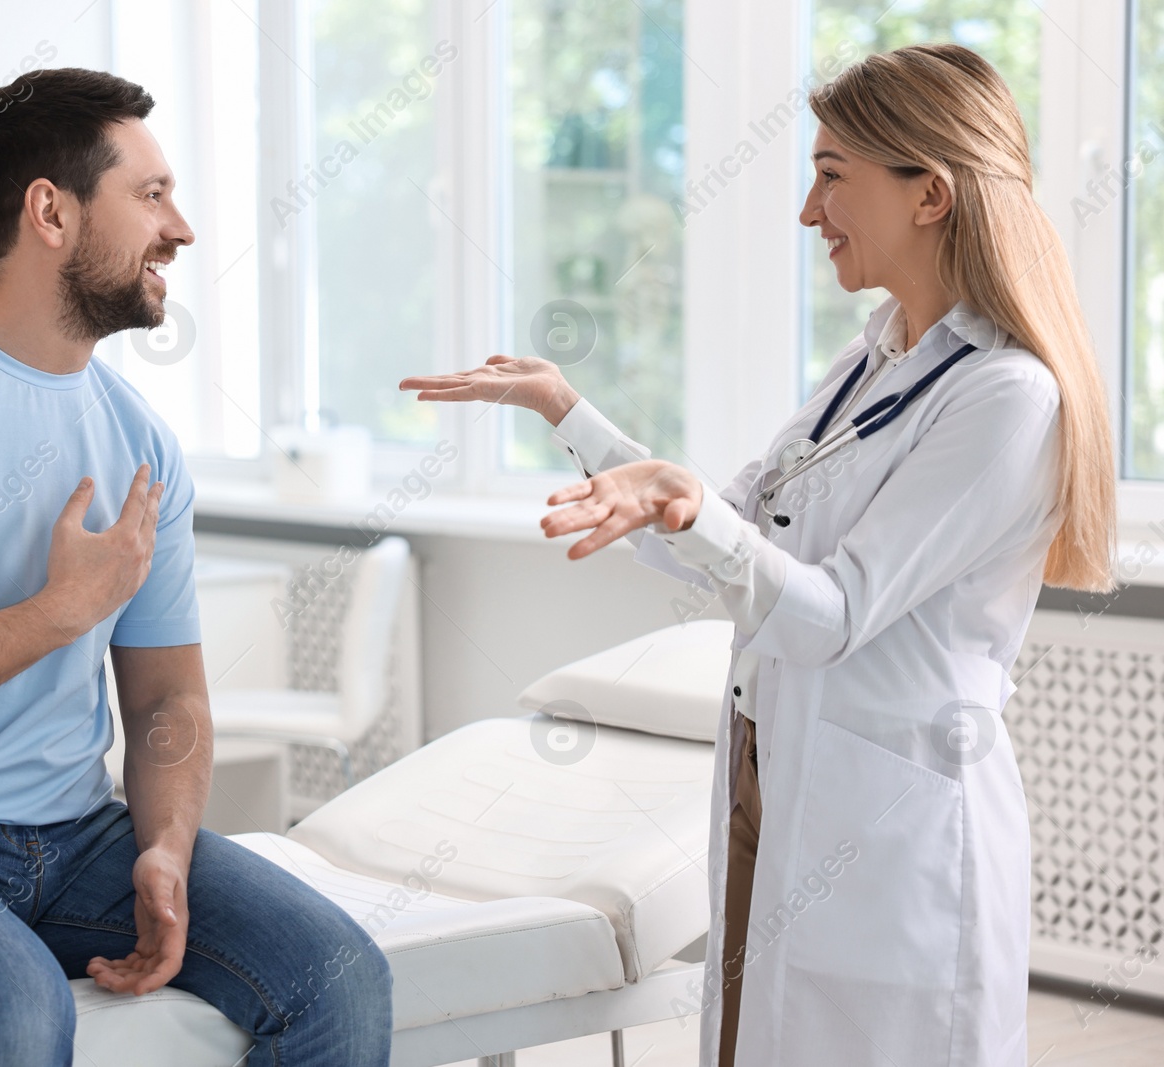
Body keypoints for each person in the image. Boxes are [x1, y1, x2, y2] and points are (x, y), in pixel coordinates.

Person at [402, 43, 1115, 1067]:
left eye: (832, 175)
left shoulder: (1005, 398)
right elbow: (724, 536)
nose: (806, 210)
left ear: (930, 195)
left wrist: (691, 512)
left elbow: (827, 613)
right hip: (768, 768)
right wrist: (573, 415)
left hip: (885, 813)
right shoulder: (869, 361)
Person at [0, 68, 392, 1066]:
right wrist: (56, 612)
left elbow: (168, 700)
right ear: (49, 211)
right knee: (12, 1010)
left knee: (338, 972)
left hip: (76, 837)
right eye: (150, 194)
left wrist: (166, 846)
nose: (179, 228)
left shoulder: (139, 439)